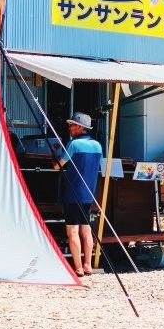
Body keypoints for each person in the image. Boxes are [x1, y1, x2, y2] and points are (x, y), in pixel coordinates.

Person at [53, 112, 102, 276]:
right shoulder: (98, 145)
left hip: (73, 193)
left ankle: (78, 267)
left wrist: (54, 156)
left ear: (80, 127)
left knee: (72, 231)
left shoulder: (73, 144)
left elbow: (58, 165)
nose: (70, 128)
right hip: (89, 194)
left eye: (72, 125)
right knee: (86, 230)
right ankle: (88, 265)